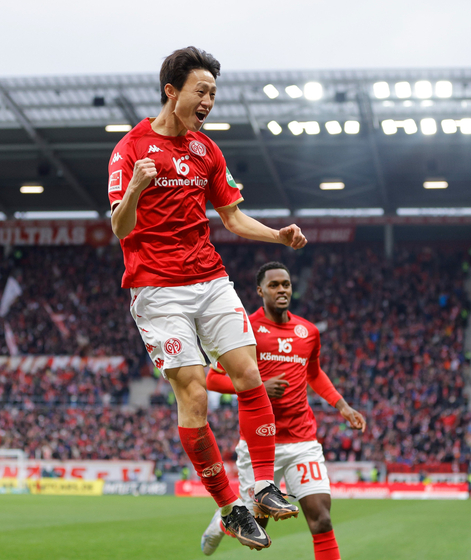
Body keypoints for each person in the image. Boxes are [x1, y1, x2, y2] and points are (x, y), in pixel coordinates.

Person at [107, 47, 307, 551]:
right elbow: (119, 227)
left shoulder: (206, 150)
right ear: (172, 91)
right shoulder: (130, 149)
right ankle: (229, 507)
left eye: (214, 93)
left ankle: (262, 484)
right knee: (194, 393)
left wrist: (278, 237)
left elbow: (234, 217)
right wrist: (134, 190)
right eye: (202, 90)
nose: (209, 101)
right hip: (157, 288)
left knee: (248, 373)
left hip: (210, 278)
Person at [201, 262, 366, 559]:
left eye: (286, 284)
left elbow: (313, 373)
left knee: (322, 518)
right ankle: (223, 521)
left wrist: (342, 406)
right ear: (260, 290)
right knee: (256, 524)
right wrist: (259, 385)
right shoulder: (244, 328)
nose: (282, 290)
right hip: (259, 442)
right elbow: (212, 378)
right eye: (274, 285)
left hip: (302, 439)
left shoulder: (308, 331)